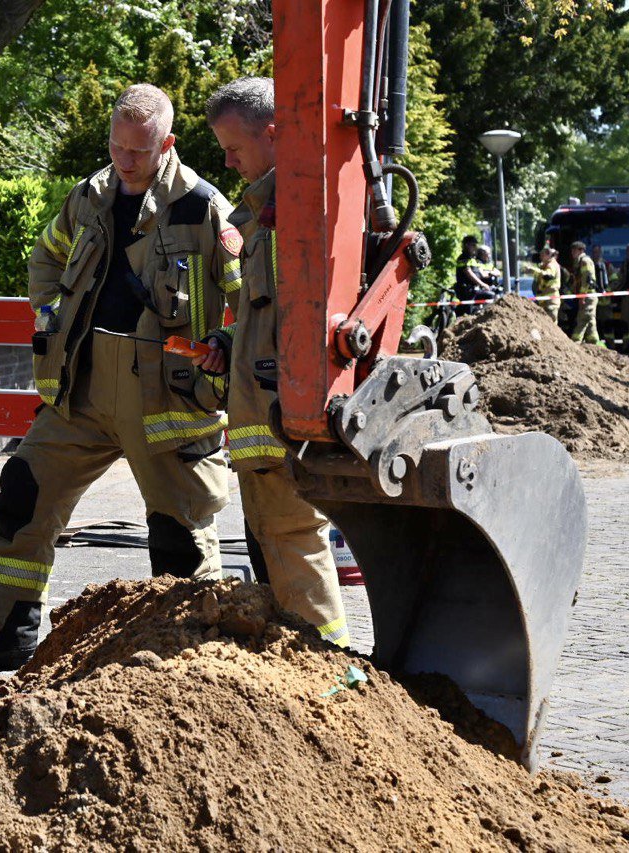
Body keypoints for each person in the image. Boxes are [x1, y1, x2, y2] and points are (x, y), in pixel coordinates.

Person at [0, 83, 243, 672]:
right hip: (80, 386)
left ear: (167, 144)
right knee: (23, 498)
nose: (124, 161)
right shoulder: (89, 196)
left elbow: (250, 293)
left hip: (166, 396)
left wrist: (225, 345)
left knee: (180, 533)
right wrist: (51, 315)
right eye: (116, 146)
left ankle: (192, 662)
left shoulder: (203, 207)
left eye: (139, 150)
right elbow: (47, 255)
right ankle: (3, 636)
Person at [197, 75, 349, 648]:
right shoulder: (265, 215)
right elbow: (268, 320)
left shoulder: (296, 214)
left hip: (284, 427)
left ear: (275, 131)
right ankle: (313, 663)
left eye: (234, 147)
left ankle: (327, 666)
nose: (228, 161)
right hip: (269, 425)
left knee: (294, 543)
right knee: (279, 546)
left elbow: (303, 325)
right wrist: (230, 341)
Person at [569, 241, 601, 345]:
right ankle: (594, 343)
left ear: (581, 250)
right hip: (587, 296)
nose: (572, 252)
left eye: (574, 250)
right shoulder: (579, 261)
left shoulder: (585, 261)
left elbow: (587, 280)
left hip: (588, 296)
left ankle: (575, 342)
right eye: (572, 250)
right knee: (590, 321)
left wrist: (582, 296)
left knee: (582, 319)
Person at [531, 246, 563, 321]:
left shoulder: (552, 265)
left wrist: (535, 270)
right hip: (544, 300)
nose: (540, 257)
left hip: (550, 301)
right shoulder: (544, 265)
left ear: (548, 255)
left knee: (550, 323)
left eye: (543, 255)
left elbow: (548, 276)